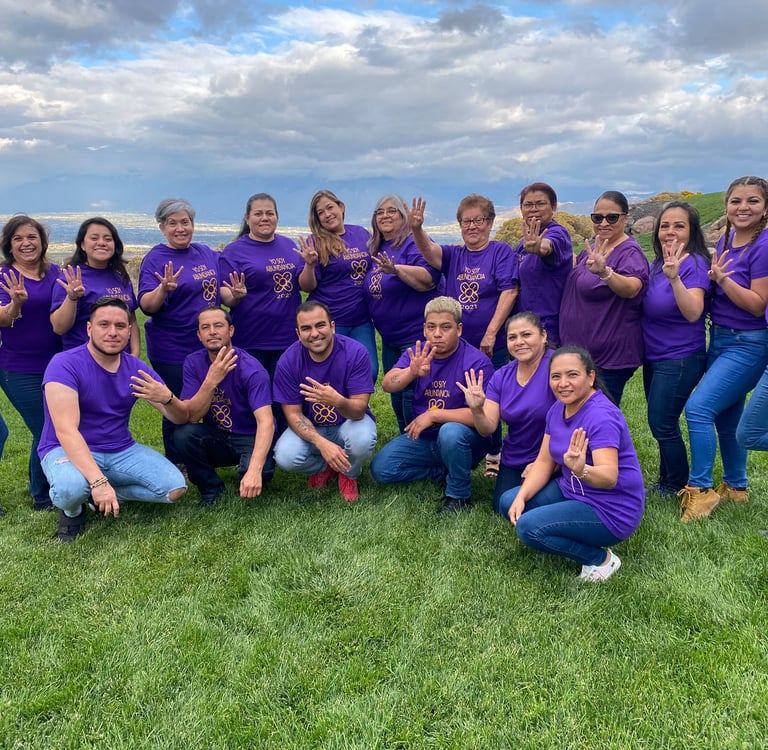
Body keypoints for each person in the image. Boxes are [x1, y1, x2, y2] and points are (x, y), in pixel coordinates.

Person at [39, 298, 188, 542]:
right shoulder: (65, 364)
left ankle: (103, 494)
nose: (112, 332)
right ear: (89, 329)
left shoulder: (136, 369)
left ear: (129, 331)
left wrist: (169, 399)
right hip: (65, 448)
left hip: (120, 450)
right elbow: (66, 430)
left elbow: (180, 418)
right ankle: (73, 510)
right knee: (69, 488)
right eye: (104, 324)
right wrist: (97, 482)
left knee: (174, 488)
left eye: (120, 326)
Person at [499, 346, 644, 582]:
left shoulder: (601, 416)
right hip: (573, 490)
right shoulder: (558, 408)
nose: (563, 383)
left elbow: (609, 478)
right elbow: (544, 462)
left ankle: (600, 560)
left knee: (528, 527)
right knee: (509, 501)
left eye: (572, 375)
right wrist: (522, 496)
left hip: (609, 508)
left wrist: (581, 469)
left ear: (591, 377)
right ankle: (564, 526)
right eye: (556, 376)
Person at [408, 194, 518, 477]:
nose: (472, 226)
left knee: (490, 399)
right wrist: (417, 229)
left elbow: (509, 291)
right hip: (455, 345)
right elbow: (430, 253)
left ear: (490, 222)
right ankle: (460, 449)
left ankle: (496, 451)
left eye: (478, 220)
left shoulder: (500, 252)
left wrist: (492, 333)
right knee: (462, 398)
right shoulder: (455, 254)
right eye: (466, 221)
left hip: (491, 344)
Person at [679, 176, 768, 521]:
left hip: (748, 342)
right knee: (727, 419)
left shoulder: (762, 246)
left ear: (765, 209)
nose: (743, 208)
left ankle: (700, 491)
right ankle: (736, 486)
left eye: (753, 201)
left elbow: (758, 305)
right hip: (721, 338)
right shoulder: (730, 238)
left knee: (699, 409)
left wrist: (723, 280)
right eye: (736, 201)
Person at [370, 296, 494, 514]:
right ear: (424, 329)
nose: (437, 334)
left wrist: (435, 415)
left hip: (466, 439)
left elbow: (485, 418)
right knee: (382, 469)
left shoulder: (476, 362)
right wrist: (411, 372)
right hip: (427, 438)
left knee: (450, 432)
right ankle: (443, 471)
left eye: (446, 327)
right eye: (431, 327)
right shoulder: (418, 354)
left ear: (459, 329)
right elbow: (388, 384)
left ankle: (459, 495)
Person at [138, 198, 221, 465]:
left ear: (193, 225)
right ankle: (178, 463)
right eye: (172, 223)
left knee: (209, 400)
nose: (180, 228)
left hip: (207, 344)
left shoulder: (205, 253)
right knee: (175, 405)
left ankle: (205, 455)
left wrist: (236, 294)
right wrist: (163, 289)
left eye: (185, 222)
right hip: (172, 348)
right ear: (162, 228)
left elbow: (219, 291)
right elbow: (146, 305)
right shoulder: (155, 258)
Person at [272, 300, 377, 502]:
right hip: (314, 428)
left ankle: (349, 473)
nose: (314, 333)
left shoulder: (355, 353)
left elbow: (359, 410)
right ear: (298, 333)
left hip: (349, 422)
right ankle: (328, 466)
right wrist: (321, 444)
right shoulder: (288, 361)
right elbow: (293, 414)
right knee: (285, 456)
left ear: (332, 326)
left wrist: (337, 400)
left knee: (362, 440)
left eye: (320, 325)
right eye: (306, 328)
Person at [173, 307, 275, 506]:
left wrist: (254, 469)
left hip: (249, 436)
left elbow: (266, 422)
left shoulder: (251, 369)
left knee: (262, 472)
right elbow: (191, 416)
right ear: (199, 335)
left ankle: (251, 472)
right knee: (183, 434)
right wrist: (211, 381)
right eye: (205, 327)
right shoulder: (193, 363)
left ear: (231, 331)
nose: (212, 331)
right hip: (217, 434)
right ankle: (211, 488)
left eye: (218, 325)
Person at [642, 202, 710, 496]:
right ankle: (666, 478)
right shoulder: (658, 263)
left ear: (691, 230)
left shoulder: (693, 264)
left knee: (662, 422)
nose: (670, 231)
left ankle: (674, 484)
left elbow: (694, 311)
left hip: (680, 357)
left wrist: (675, 278)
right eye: (665, 225)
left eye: (679, 225)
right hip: (655, 356)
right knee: (660, 422)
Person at [459, 312, 556, 514]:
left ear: (543, 336)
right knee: (503, 506)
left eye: (526, 335)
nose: (519, 342)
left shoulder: (557, 369)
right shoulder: (502, 375)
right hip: (516, 457)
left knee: (531, 508)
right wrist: (477, 409)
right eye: (513, 337)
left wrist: (548, 465)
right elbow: (488, 428)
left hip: (554, 458)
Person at [559, 191, 649, 404]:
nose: (604, 223)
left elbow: (632, 288)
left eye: (612, 217)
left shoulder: (630, 252)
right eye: (597, 217)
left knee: (599, 417)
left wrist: (605, 273)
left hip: (609, 359)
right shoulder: (594, 248)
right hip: (583, 354)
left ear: (625, 218)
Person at [363, 194, 441, 432]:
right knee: (396, 392)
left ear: (403, 216)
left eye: (391, 211)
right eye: (379, 212)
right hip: (390, 338)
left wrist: (396, 270)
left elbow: (428, 280)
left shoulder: (413, 242)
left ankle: (417, 446)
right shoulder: (376, 247)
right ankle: (404, 442)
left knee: (412, 393)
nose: (385, 216)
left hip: (414, 334)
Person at [0, 214, 62, 510]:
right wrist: (16, 303)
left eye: (32, 237)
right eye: (18, 238)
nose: (26, 243)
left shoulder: (56, 273)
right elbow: (3, 317)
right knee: (46, 428)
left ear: (42, 241)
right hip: (18, 368)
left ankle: (44, 485)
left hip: (57, 365)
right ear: (9, 246)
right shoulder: (4, 277)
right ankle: (41, 494)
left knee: (56, 426)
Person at [219, 193, 301, 379]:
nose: (264, 218)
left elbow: (304, 283)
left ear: (277, 217)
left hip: (288, 337)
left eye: (269, 213)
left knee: (284, 398)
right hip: (251, 339)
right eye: (258, 214)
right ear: (247, 218)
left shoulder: (289, 245)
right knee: (255, 396)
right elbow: (225, 295)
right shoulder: (234, 251)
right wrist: (236, 296)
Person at [298, 190, 377, 381]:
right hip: (331, 319)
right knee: (333, 374)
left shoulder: (360, 233)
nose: (327, 214)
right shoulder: (315, 242)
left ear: (341, 207)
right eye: (320, 212)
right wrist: (309, 265)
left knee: (369, 370)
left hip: (361, 319)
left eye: (330, 207)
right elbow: (306, 286)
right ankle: (335, 409)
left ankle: (359, 409)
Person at [50, 217, 141, 356]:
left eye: (108, 239)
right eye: (94, 238)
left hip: (121, 362)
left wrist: (134, 355)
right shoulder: (71, 277)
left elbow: (131, 320)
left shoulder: (120, 276)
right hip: (83, 361)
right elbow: (59, 327)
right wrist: (72, 298)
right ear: (82, 245)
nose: (101, 243)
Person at [513, 183, 573, 345]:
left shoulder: (558, 233)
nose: (533, 209)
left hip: (548, 329)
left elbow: (547, 246)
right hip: (525, 326)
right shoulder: (522, 244)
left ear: (553, 206)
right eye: (528, 204)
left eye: (540, 203)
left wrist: (538, 247)